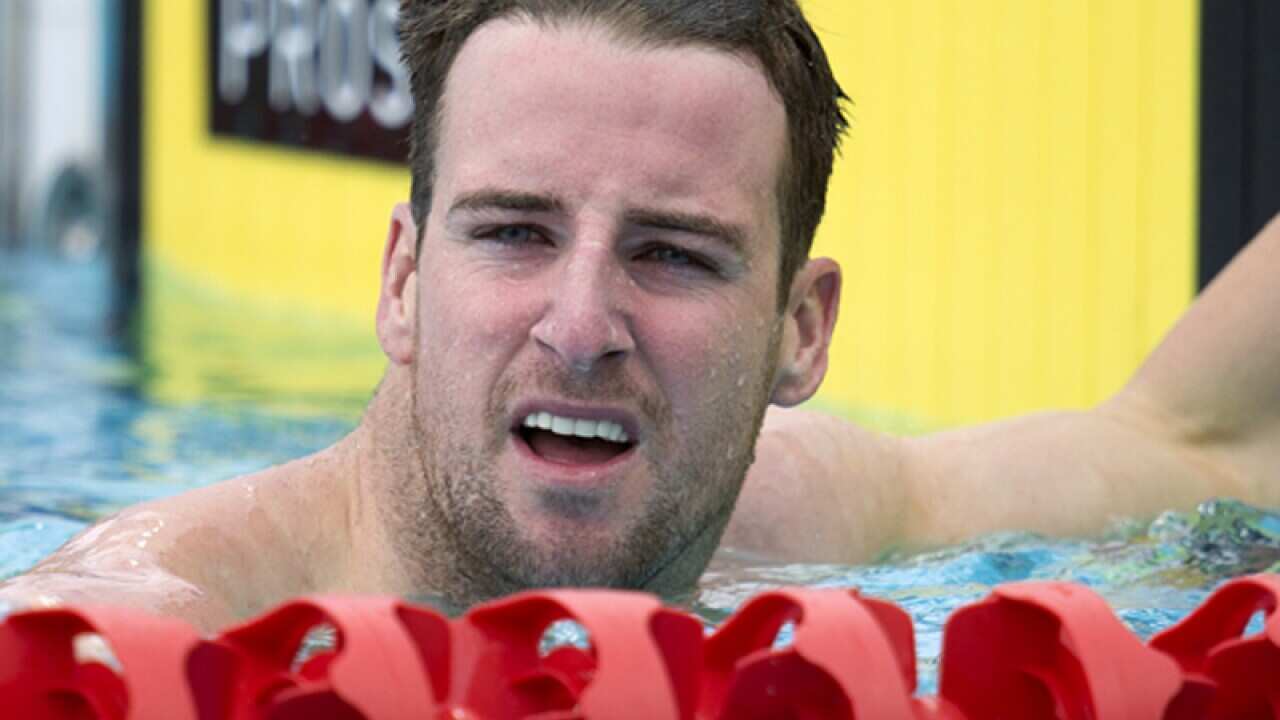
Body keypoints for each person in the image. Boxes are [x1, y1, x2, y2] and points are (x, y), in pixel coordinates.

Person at [3, 0, 1278, 633]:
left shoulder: (795, 517)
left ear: (800, 332)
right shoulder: (168, 619)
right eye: (514, 233)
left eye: (671, 255)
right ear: (401, 283)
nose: (579, 327)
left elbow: (1198, 446)